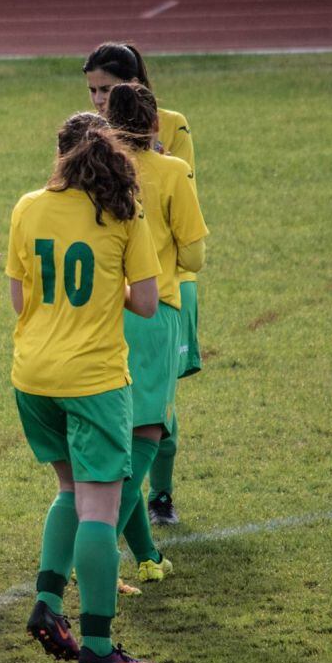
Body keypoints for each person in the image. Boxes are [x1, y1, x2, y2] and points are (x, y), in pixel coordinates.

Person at [10, 115, 162, 663]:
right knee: (99, 507)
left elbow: (19, 299)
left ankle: (48, 603)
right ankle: (98, 646)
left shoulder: (28, 206)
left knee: (69, 489)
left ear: (61, 156)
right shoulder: (123, 212)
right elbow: (146, 302)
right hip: (93, 379)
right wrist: (107, 286)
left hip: (32, 376)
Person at [84, 41, 200, 523]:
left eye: (106, 91)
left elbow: (186, 197)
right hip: (129, 288)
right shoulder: (89, 138)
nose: (99, 101)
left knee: (157, 402)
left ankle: (159, 496)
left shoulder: (172, 125)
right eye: (92, 91)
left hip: (168, 283)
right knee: (134, 405)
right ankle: (120, 511)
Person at [104, 83, 207, 582]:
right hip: (152, 309)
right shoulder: (172, 171)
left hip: (104, 311)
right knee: (147, 433)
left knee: (114, 441)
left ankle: (146, 556)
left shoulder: (99, 173)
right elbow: (193, 256)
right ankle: (96, 544)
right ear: (153, 124)